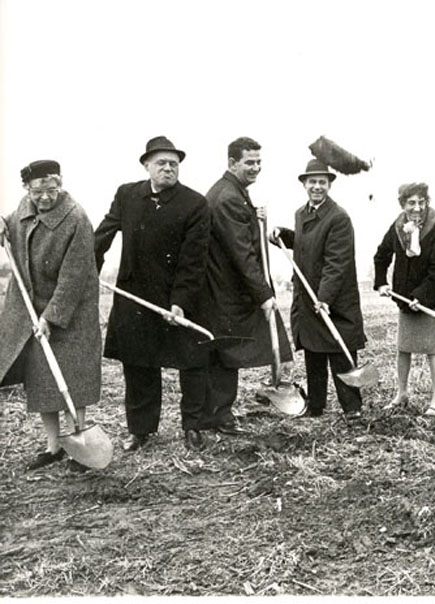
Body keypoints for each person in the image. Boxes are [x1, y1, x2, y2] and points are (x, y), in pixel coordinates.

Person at [94, 136, 210, 451]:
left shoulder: (195, 203)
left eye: (174, 163)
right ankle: (141, 431)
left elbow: (193, 260)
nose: (168, 168)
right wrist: (89, 267)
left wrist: (180, 303)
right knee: (138, 363)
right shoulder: (127, 195)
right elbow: (103, 234)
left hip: (179, 298)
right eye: (161, 163)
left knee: (191, 362)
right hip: (135, 295)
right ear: (147, 166)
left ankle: (192, 426)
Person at [0, 160, 101, 471]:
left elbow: (74, 277)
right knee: (43, 380)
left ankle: (79, 440)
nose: (45, 197)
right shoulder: (23, 211)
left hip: (72, 311)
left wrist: (51, 317)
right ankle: (53, 446)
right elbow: (9, 224)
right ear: (28, 189)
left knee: (73, 377)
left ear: (61, 184)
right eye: (38, 191)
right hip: (31, 305)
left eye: (52, 189)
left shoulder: (76, 218)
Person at [201, 137, 293, 434]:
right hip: (226, 291)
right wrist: (264, 294)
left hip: (223, 289)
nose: (256, 168)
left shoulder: (232, 193)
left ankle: (217, 413)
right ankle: (220, 416)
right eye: (249, 162)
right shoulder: (228, 197)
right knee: (227, 353)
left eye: (258, 162)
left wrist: (258, 221)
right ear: (231, 163)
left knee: (224, 353)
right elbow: (242, 254)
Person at [271, 159, 366, 420]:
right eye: (312, 182)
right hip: (308, 296)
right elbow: (305, 243)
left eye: (322, 182)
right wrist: (284, 235)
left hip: (333, 299)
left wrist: (324, 298)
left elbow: (336, 264)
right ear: (304, 184)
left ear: (329, 185)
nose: (317, 187)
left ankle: (352, 409)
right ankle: (316, 406)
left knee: (340, 353)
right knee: (314, 353)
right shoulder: (302, 214)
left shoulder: (339, 218)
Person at [374, 182, 435, 416]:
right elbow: (381, 255)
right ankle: (401, 393)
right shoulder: (397, 227)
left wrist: (420, 296)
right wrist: (381, 281)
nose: (417, 208)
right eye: (411, 203)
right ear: (402, 204)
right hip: (407, 297)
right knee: (404, 347)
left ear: (427, 202)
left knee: (434, 349)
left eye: (421, 202)